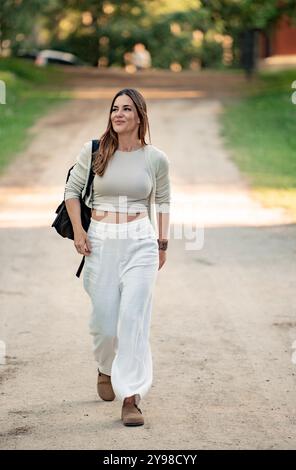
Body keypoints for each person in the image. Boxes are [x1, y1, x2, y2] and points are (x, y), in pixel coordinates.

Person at [64, 88, 171, 427]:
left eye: (126, 109)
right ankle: (105, 367)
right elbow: (71, 191)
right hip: (100, 240)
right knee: (105, 323)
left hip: (140, 241)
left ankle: (131, 397)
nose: (118, 114)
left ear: (140, 116)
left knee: (133, 321)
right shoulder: (95, 151)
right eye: (114, 109)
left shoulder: (155, 158)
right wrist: (80, 232)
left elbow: (164, 201)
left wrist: (162, 243)